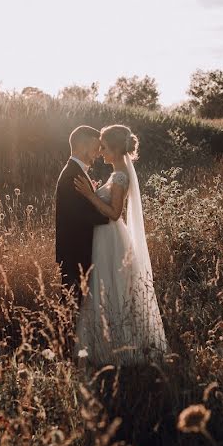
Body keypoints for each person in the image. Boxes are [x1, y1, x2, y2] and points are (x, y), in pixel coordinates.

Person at [71, 124, 167, 366]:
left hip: (110, 237)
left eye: (103, 147)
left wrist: (91, 196)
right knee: (106, 288)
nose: (100, 152)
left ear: (114, 148)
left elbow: (114, 213)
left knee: (109, 289)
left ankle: (115, 349)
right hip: (105, 236)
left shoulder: (121, 174)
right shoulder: (117, 172)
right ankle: (107, 345)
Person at [54, 125, 108, 306]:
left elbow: (79, 206)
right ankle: (60, 335)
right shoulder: (72, 175)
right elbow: (80, 216)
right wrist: (108, 215)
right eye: (96, 147)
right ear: (84, 145)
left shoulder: (76, 171)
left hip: (77, 250)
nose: (99, 152)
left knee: (77, 304)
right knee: (71, 304)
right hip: (74, 253)